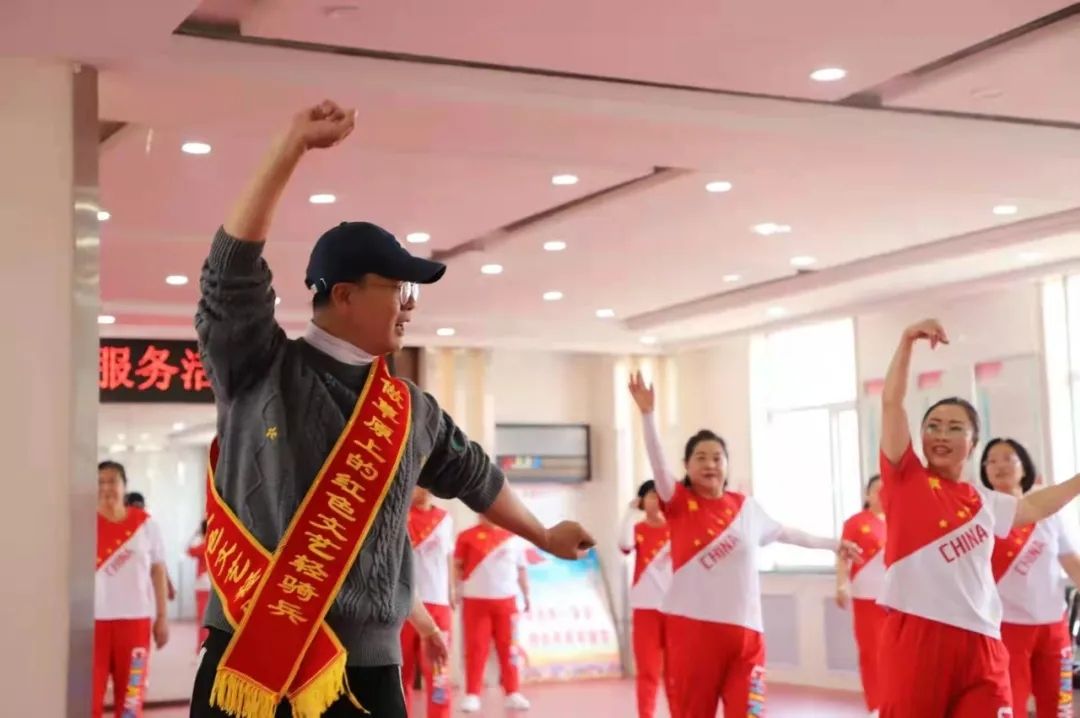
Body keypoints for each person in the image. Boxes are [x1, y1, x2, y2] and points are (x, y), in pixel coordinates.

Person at [190, 100, 593, 718]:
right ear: (344, 295)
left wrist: (543, 534)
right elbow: (230, 272)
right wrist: (290, 146)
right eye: (400, 288)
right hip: (253, 658)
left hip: (368, 672)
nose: (411, 304)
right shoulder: (260, 367)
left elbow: (476, 478)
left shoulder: (411, 410)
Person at [876, 318, 1080, 717]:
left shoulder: (984, 501)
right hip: (918, 637)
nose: (941, 434)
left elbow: (1035, 506)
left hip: (983, 642)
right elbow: (891, 404)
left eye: (955, 428)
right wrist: (906, 342)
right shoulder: (906, 479)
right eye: (933, 426)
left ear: (972, 443)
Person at [627, 372, 859, 718]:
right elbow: (658, 463)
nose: (710, 464)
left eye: (717, 457)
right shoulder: (678, 503)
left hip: (747, 639)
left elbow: (787, 533)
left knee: (750, 713)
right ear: (686, 467)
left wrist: (833, 544)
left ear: (726, 464)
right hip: (692, 635)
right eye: (701, 458)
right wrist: (648, 415)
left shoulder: (746, 508)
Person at [982, 437, 1080, 718]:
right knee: (1009, 705)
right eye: (991, 460)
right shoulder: (983, 516)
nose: (999, 465)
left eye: (1008, 458)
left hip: (1054, 629)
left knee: (1060, 706)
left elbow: (1071, 561)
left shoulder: (1049, 514)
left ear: (1024, 467)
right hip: (1007, 629)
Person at [94, 460, 170, 718]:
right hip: (93, 624)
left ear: (124, 485)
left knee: (130, 701)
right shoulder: (84, 524)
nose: (106, 487)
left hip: (135, 623)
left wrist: (162, 616)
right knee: (88, 699)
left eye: (112, 481)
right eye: (100, 482)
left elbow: (158, 570)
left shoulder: (146, 525)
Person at [454, 514, 532, 713]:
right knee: (476, 647)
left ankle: (513, 692)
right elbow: (457, 567)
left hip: (507, 601)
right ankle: (472, 693)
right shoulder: (466, 536)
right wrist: (454, 591)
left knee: (509, 648)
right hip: (475, 600)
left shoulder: (514, 537)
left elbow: (521, 569)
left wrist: (526, 594)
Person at [617, 479, 673, 718]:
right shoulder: (638, 530)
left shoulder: (677, 528)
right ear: (642, 501)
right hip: (645, 607)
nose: (657, 501)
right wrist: (630, 512)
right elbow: (624, 545)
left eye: (660, 495)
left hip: (675, 608)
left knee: (675, 672)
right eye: (651, 496)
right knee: (648, 670)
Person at [400, 488, 455, 718]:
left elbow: (449, 555)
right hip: (405, 604)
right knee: (402, 671)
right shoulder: (399, 515)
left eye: (424, 484)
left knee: (438, 671)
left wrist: (451, 590)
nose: (420, 490)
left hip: (438, 603)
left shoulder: (445, 519)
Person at [835, 476, 887, 717]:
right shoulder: (856, 522)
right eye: (877, 490)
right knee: (871, 652)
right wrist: (841, 584)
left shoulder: (898, 521)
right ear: (868, 495)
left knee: (894, 654)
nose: (883, 494)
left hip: (894, 599)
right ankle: (875, 705)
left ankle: (893, 703)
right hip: (866, 596)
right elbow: (843, 556)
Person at [187, 520, 210, 653]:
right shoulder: (215, 544)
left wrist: (194, 535)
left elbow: (188, 550)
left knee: (202, 619)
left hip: (203, 584)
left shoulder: (204, 545)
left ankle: (201, 649)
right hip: (211, 584)